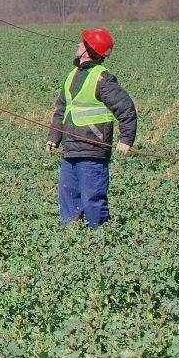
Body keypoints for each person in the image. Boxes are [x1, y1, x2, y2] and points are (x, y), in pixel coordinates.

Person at [46, 27, 137, 227]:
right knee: (68, 199)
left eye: (82, 42)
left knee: (93, 201)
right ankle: (71, 241)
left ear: (88, 50)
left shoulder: (102, 79)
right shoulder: (72, 75)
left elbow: (126, 108)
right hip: (70, 150)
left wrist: (126, 139)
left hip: (92, 151)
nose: (78, 44)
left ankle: (101, 242)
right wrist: (54, 137)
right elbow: (62, 109)